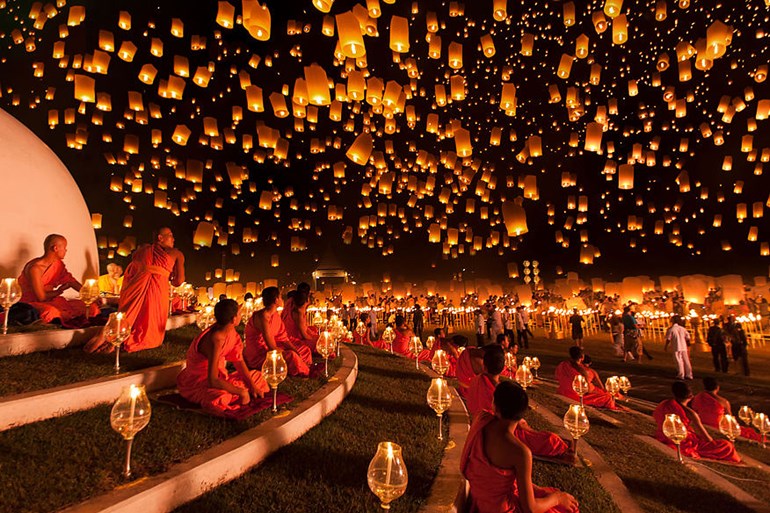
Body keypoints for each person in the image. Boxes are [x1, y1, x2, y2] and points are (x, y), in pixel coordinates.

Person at [461, 380, 580, 513]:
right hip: (503, 509)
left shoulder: (481, 419)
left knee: (547, 493)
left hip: (480, 500)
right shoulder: (520, 452)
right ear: (522, 413)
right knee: (564, 508)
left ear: (494, 406)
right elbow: (530, 509)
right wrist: (557, 498)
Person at [85, 227, 185, 352]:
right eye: (170, 235)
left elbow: (132, 270)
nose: (173, 239)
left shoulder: (142, 250)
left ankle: (106, 334)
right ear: (160, 238)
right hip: (157, 290)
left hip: (136, 285)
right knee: (149, 325)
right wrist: (166, 275)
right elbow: (178, 282)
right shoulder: (176, 253)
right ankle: (118, 338)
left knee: (129, 312)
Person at [466, 346, 573, 462]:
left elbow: (473, 405)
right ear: (503, 368)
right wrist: (528, 428)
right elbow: (508, 420)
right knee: (551, 440)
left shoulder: (476, 381)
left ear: (484, 366)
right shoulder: (500, 392)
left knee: (546, 438)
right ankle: (561, 449)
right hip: (499, 431)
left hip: (479, 425)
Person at [176, 299, 269, 418]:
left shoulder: (230, 331)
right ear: (233, 319)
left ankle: (235, 394)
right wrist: (241, 392)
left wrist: (252, 386)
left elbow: (238, 361)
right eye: (239, 313)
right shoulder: (215, 339)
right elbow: (213, 380)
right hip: (199, 383)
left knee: (257, 376)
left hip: (222, 378)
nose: (241, 316)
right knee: (220, 397)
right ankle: (231, 396)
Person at [18, 234, 99, 326]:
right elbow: (41, 297)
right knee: (51, 312)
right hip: (32, 303)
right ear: (55, 248)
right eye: (64, 247)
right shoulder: (35, 268)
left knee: (91, 308)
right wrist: (59, 291)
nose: (66, 250)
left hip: (51, 300)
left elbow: (71, 281)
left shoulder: (58, 264)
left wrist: (91, 296)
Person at [653, 381, 741, 462]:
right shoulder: (690, 413)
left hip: (663, 435)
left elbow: (657, 418)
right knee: (726, 445)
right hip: (684, 441)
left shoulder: (664, 404)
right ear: (691, 396)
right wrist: (712, 442)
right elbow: (705, 436)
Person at [244, 287, 312, 377]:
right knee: (292, 356)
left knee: (304, 350)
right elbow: (271, 347)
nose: (282, 299)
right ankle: (304, 371)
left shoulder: (275, 315)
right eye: (280, 297)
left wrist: (295, 350)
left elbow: (283, 338)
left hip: (276, 347)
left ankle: (303, 365)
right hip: (260, 354)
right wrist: (290, 353)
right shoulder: (262, 317)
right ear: (276, 300)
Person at [690, 378, 761, 442]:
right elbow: (730, 418)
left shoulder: (697, 397)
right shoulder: (723, 402)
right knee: (747, 432)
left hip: (702, 422)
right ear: (717, 387)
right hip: (717, 426)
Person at [555, 346, 623, 410]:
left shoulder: (563, 364)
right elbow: (588, 390)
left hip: (562, 391)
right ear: (582, 357)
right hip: (577, 396)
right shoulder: (586, 371)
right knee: (607, 396)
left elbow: (558, 377)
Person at [281, 289, 319, 353]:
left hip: (297, 338)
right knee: (321, 343)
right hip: (296, 341)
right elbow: (304, 335)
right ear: (306, 300)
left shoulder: (299, 311)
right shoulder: (298, 313)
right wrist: (315, 339)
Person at [664, 315, 693, 380]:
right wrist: (688, 346)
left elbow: (668, 339)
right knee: (686, 360)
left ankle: (681, 374)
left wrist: (666, 346)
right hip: (683, 346)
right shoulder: (683, 329)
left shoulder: (671, 329)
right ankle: (689, 374)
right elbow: (688, 338)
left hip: (676, 346)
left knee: (678, 360)